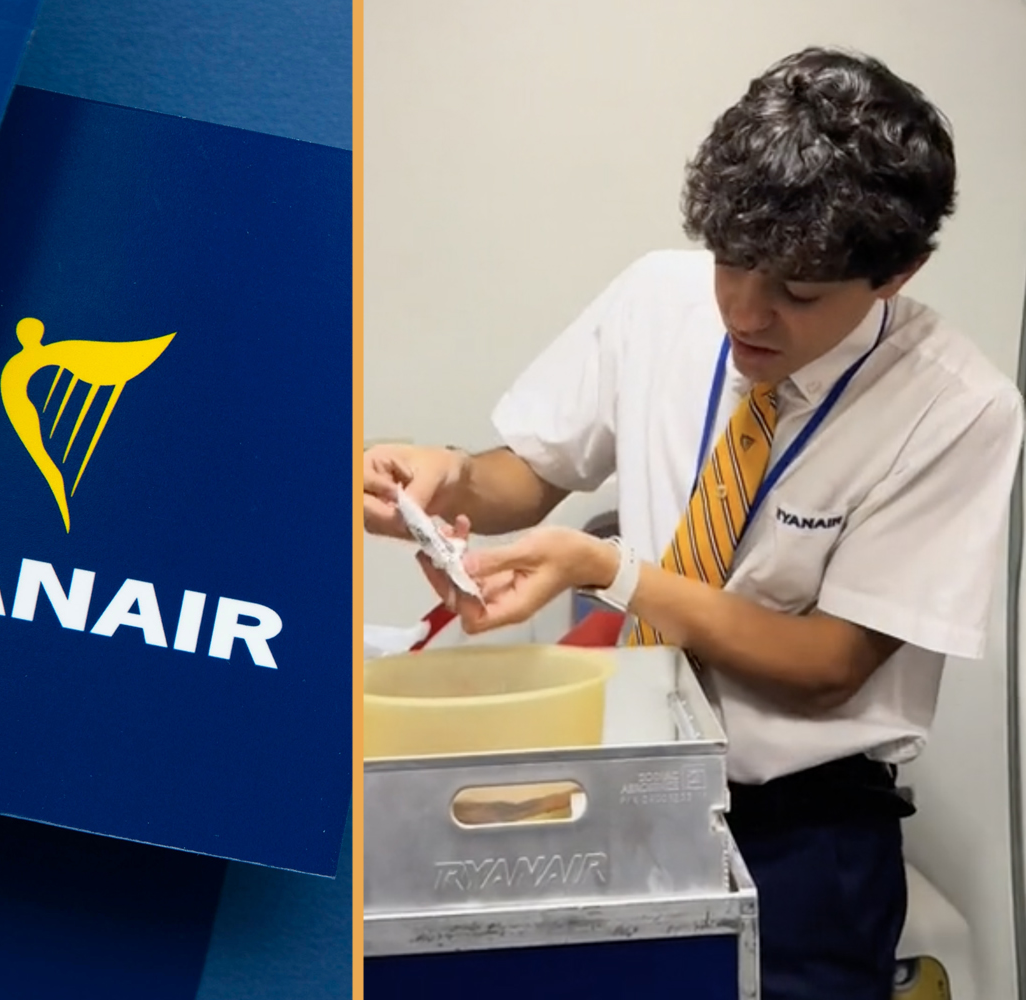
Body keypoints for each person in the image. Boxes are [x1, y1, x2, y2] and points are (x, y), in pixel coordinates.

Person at [363, 47, 1023, 1000]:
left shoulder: (958, 407)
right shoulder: (657, 299)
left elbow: (830, 662)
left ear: (897, 274)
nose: (744, 313)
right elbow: (531, 477)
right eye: (731, 263)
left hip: (803, 821)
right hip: (619, 763)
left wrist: (610, 571)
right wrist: (445, 479)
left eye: (797, 292)